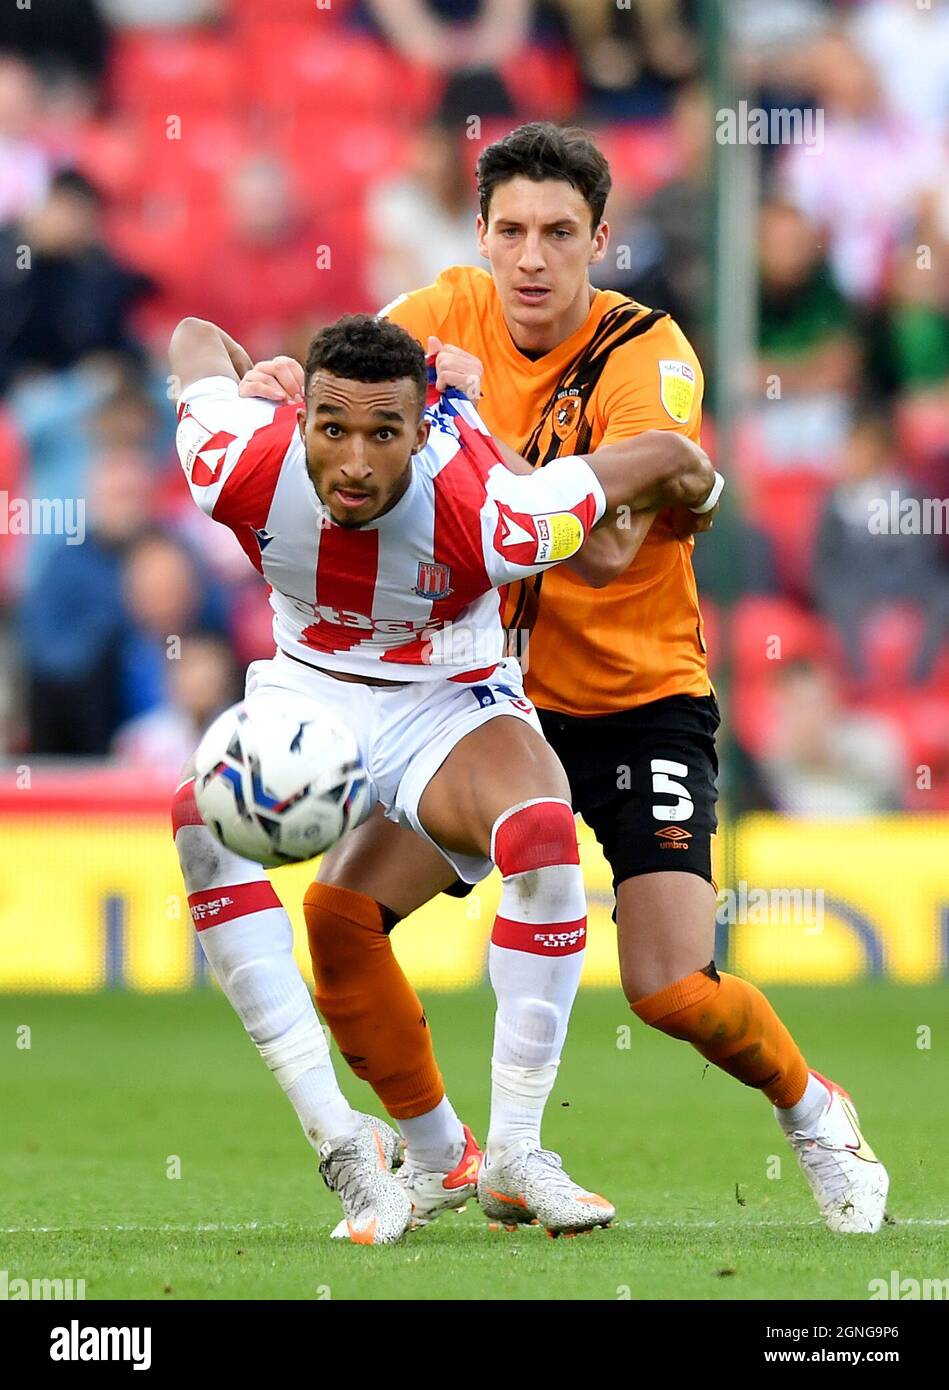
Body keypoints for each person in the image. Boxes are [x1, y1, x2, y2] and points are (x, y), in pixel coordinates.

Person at [243, 122, 888, 1236]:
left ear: (601, 238)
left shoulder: (651, 357)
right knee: (340, 915)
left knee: (671, 988)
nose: (531, 258)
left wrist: (478, 462)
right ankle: (448, 1154)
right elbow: (344, 418)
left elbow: (601, 549)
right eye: (510, 232)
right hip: (481, 699)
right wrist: (279, 392)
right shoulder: (434, 316)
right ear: (479, 236)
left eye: (557, 233)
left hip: (639, 699)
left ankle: (816, 1111)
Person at [169, 309, 716, 1243]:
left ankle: (513, 1152)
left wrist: (697, 484)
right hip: (310, 690)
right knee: (196, 823)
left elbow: (651, 456)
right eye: (331, 428)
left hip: (445, 701)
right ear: (300, 420)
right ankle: (347, 1147)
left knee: (542, 834)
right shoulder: (232, 457)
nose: (351, 461)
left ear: (423, 433)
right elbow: (187, 336)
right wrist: (250, 363)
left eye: (384, 434)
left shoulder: (494, 511)